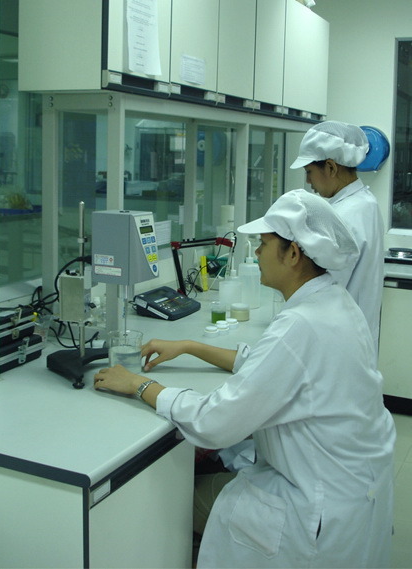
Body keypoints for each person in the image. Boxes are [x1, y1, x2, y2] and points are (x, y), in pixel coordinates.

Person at [94, 189, 395, 569]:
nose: (257, 252)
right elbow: (268, 365)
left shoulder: (301, 324)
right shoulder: (334, 302)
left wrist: (140, 386)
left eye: (263, 244)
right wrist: (190, 346)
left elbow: (215, 422)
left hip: (312, 506)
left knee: (174, 494)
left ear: (293, 254)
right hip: (351, 488)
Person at [290, 120, 385, 350]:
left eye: (309, 172)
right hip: (356, 333)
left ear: (331, 167)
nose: (308, 181)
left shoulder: (343, 216)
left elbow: (321, 289)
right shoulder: (366, 202)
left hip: (338, 338)